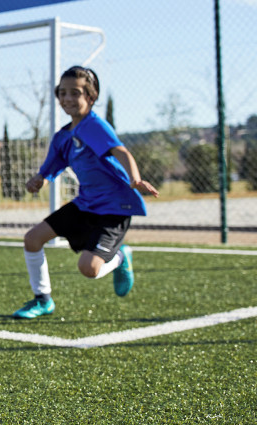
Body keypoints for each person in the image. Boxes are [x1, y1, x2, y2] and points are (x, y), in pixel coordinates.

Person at [11, 66, 159, 319]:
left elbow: (121, 152)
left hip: (114, 207)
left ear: (91, 97)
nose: (67, 98)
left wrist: (135, 180)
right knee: (32, 239)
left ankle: (121, 258)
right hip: (86, 204)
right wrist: (38, 180)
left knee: (88, 269)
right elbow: (49, 169)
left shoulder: (95, 126)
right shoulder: (62, 137)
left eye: (75, 93)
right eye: (63, 93)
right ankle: (42, 300)